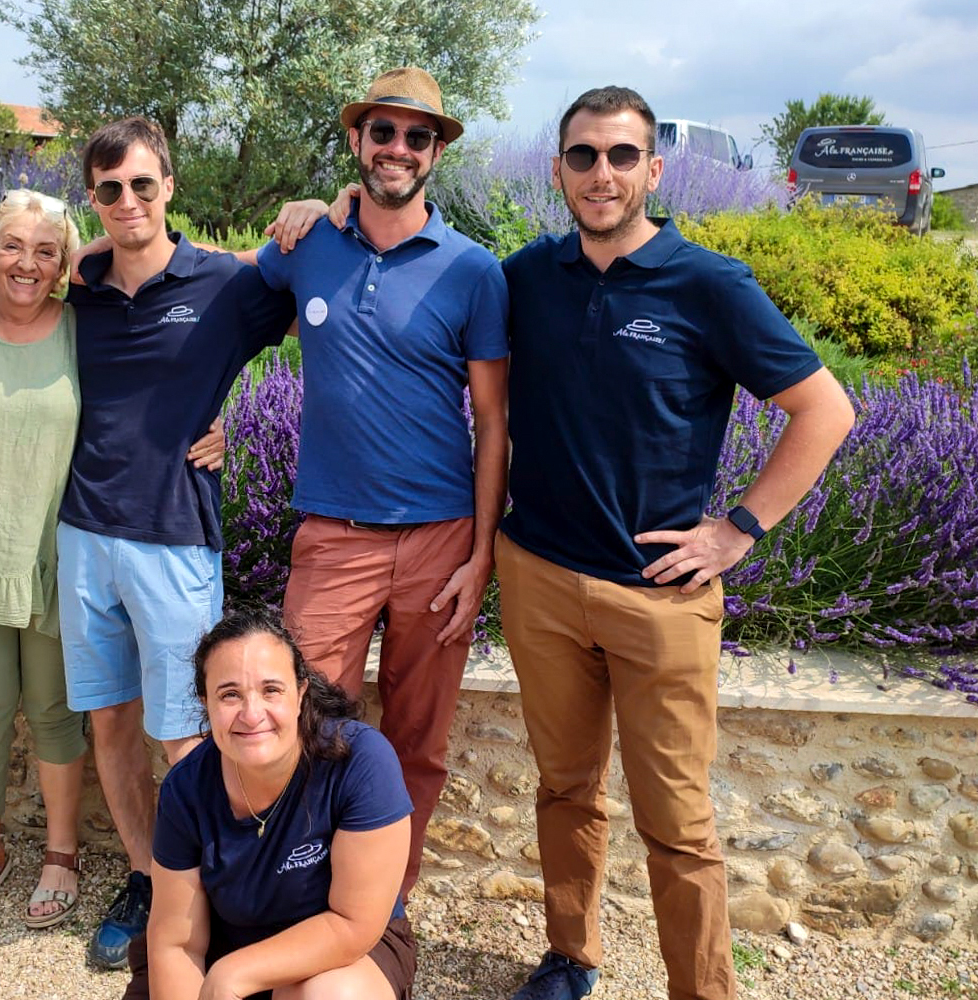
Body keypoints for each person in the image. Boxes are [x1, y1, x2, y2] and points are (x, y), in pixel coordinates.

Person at [497, 86, 855, 1000]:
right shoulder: (527, 276)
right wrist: (329, 206)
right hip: (538, 576)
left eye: (622, 156)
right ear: (559, 171)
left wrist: (736, 529)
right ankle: (571, 956)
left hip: (659, 598)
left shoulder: (710, 285)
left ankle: (702, 990)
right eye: (583, 156)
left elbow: (824, 409)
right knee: (565, 790)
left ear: (655, 169)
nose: (601, 173)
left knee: (678, 822)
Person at [0, 189, 229, 930]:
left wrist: (216, 417)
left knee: (91, 717)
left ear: (66, 260)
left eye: (46, 250)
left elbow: (168, 368)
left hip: (71, 546)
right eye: (12, 246)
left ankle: (89, 861)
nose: (27, 263)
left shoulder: (82, 319)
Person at [260, 66, 510, 899]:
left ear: (436, 151)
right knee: (303, 723)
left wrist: (481, 556)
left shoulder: (474, 271)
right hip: (334, 535)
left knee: (415, 739)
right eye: (383, 132)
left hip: (440, 541)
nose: (397, 148)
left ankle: (383, 905)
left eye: (417, 136)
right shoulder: (308, 244)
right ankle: (300, 892)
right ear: (356, 140)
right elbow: (211, 305)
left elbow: (493, 422)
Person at [58, 116, 298, 978]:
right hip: (82, 533)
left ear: (170, 188)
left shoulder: (225, 286)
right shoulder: (77, 286)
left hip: (174, 539)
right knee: (111, 720)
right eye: (110, 190)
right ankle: (143, 878)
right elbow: (12, 278)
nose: (129, 203)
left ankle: (200, 897)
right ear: (94, 197)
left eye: (143, 186)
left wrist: (319, 201)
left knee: (185, 737)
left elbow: (323, 301)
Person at [148, 609, 416, 1000]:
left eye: (271, 690)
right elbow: (177, 943)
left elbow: (353, 923)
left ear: (300, 693)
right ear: (206, 702)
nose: (252, 714)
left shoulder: (360, 761)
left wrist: (231, 975)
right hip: (225, 945)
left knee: (327, 995)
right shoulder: (185, 789)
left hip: (344, 952)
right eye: (229, 695)